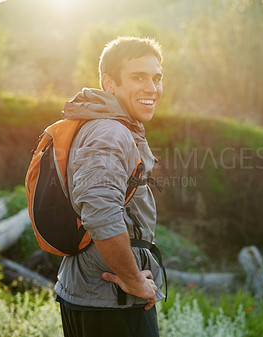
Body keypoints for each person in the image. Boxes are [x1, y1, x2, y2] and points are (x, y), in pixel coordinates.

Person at [54, 37, 165, 337]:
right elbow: (99, 209)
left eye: (156, 78)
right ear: (109, 84)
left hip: (93, 296)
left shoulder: (103, 125)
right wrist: (134, 281)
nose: (152, 88)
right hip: (109, 303)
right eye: (138, 77)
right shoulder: (110, 132)